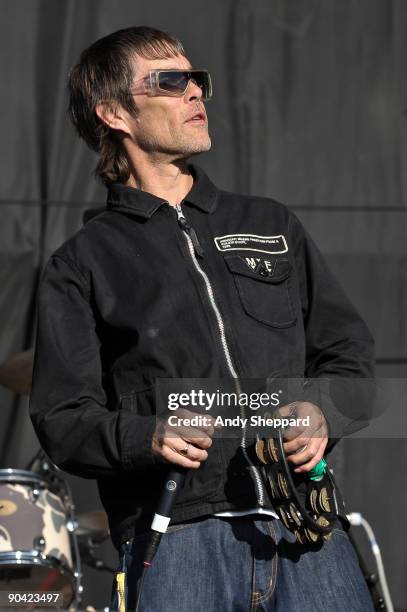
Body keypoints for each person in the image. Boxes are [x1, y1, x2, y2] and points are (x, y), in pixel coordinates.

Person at [30, 26, 375, 611]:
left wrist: (322, 411)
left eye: (198, 79)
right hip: (178, 540)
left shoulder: (272, 223)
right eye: (171, 80)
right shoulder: (82, 262)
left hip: (305, 533)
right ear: (114, 112)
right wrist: (148, 435)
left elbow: (351, 358)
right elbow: (63, 418)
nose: (195, 93)